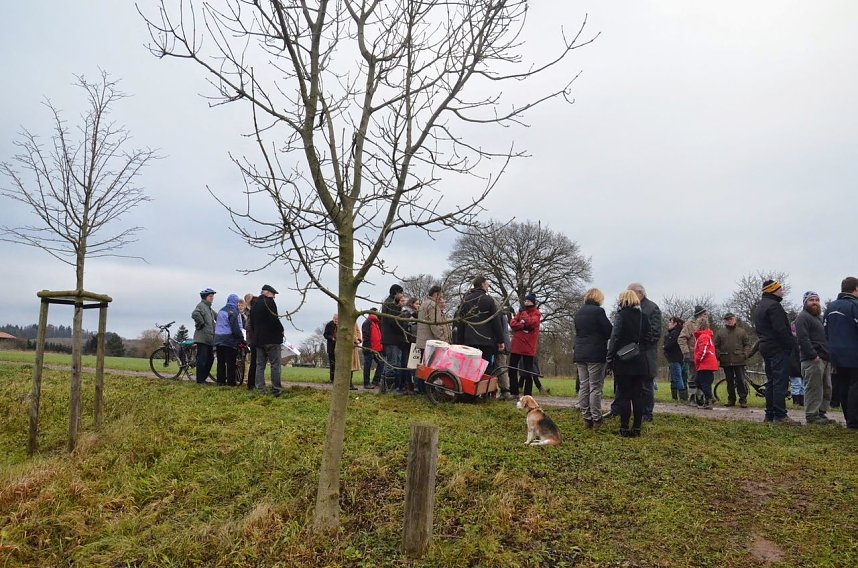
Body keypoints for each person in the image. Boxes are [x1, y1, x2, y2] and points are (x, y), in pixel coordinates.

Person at [606, 290, 650, 438]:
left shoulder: (621, 316)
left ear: (623, 300)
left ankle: (624, 428)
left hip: (623, 360)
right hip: (640, 360)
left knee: (624, 396)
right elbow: (649, 338)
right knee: (637, 396)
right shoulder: (644, 317)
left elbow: (615, 338)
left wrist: (609, 358)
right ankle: (637, 428)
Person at [753, 279, 797, 423]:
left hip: (765, 347)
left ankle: (770, 414)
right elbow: (781, 330)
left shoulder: (760, 307)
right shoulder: (774, 306)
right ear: (773, 290)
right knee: (780, 381)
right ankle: (780, 415)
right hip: (777, 348)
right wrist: (791, 345)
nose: (782, 292)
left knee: (771, 381)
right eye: (780, 289)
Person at [573, 288, 613, 429]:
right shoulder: (598, 312)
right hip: (595, 353)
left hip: (580, 353)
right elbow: (609, 331)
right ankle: (597, 418)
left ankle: (586, 417)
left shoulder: (579, 313)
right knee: (595, 387)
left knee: (584, 385)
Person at [823, 276, 858, 430]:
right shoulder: (855, 305)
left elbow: (825, 330)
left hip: (835, 353)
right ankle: (854, 421)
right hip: (854, 353)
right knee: (855, 386)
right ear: (856, 288)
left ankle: (848, 418)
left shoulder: (830, 307)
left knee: (843, 385)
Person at [455, 275, 504, 372]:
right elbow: (495, 321)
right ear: (482, 284)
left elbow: (460, 322)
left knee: (469, 368)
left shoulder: (466, 300)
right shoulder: (489, 300)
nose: (488, 287)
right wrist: (500, 340)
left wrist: (459, 341)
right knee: (485, 369)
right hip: (485, 341)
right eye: (487, 284)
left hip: (469, 340)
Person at [628, 283, 662, 422]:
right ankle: (637, 411)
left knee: (646, 385)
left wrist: (639, 340)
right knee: (634, 385)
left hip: (646, 353)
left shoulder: (652, 308)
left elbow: (655, 334)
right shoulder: (630, 308)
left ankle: (647, 413)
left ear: (639, 293)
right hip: (632, 353)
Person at [250, 284, 284, 396]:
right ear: (267, 293)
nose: (274, 297)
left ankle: (260, 389)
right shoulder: (269, 302)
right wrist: (281, 330)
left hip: (259, 340)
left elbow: (252, 323)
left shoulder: (254, 305)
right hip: (272, 339)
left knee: (259, 365)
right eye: (273, 294)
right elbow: (274, 319)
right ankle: (276, 390)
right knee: (275, 365)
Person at [714, 312, 751, 407]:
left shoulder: (741, 331)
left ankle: (743, 400)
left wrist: (745, 354)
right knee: (729, 381)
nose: (729, 321)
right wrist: (718, 355)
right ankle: (731, 399)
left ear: (735, 319)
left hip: (739, 360)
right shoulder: (720, 332)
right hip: (725, 360)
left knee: (740, 381)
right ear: (724, 321)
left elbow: (747, 344)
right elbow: (715, 346)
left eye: (731, 319)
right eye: (727, 319)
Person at [509, 292, 542, 396]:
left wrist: (523, 317)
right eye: (525, 300)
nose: (525, 302)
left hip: (528, 346)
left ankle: (527, 393)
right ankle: (514, 392)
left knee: (528, 371)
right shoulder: (520, 312)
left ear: (532, 302)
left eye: (527, 300)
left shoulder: (536, 313)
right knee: (512, 368)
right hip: (517, 345)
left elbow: (531, 323)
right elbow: (513, 323)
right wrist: (522, 326)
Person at [678, 305, 708, 407]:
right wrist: (686, 352)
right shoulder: (689, 325)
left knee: (703, 377)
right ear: (699, 315)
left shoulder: (706, 325)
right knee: (693, 376)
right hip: (693, 354)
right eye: (704, 314)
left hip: (704, 355)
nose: (706, 316)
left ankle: (700, 397)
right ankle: (692, 397)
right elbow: (681, 339)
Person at [380, 284, 408, 393]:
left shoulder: (390, 303)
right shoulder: (391, 304)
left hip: (390, 338)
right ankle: (389, 389)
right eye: (401, 293)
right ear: (395, 293)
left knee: (390, 363)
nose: (402, 295)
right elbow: (394, 322)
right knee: (392, 364)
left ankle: (384, 388)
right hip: (391, 339)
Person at [213, 294, 245, 386]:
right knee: (230, 362)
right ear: (236, 302)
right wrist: (241, 339)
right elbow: (235, 328)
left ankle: (220, 381)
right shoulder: (234, 312)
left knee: (221, 362)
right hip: (229, 340)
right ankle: (231, 382)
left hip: (218, 338)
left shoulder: (221, 310)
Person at [191, 287, 217, 384]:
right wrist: (201, 323)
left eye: (212, 296)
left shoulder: (209, 308)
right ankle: (200, 380)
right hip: (202, 338)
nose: (212, 298)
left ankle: (203, 378)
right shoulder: (201, 306)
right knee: (202, 360)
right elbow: (194, 314)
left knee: (210, 359)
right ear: (205, 297)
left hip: (209, 338)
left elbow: (218, 316)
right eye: (210, 296)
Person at [693, 317, 718, 409]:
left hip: (705, 364)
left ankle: (709, 399)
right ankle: (708, 398)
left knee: (704, 383)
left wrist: (697, 359)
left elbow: (703, 350)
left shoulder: (703, 336)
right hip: (704, 364)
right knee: (698, 382)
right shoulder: (704, 336)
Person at [663, 317, 687, 401]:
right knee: (679, 377)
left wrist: (664, 346)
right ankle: (678, 397)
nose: (668, 324)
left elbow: (667, 345)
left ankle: (682, 398)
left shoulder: (674, 333)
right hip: (680, 358)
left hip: (674, 358)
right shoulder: (681, 333)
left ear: (675, 323)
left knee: (677, 378)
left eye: (670, 322)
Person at [361, 308, 384, 389]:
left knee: (381, 363)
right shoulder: (367, 323)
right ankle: (366, 383)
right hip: (369, 348)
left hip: (377, 348)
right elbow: (366, 336)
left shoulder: (377, 323)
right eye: (376, 312)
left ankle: (376, 380)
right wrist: (368, 347)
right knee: (368, 365)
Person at [243, 293, 257, 391]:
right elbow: (248, 326)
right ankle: (251, 384)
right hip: (253, 339)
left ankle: (252, 383)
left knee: (254, 362)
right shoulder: (250, 311)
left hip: (251, 338)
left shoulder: (248, 311)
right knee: (254, 362)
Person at [323, 314, 338, 384]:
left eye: (338, 320)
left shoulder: (340, 325)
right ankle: (332, 379)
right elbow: (325, 334)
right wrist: (331, 338)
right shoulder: (329, 325)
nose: (336, 321)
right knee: (332, 364)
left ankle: (337, 378)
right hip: (331, 347)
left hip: (338, 347)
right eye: (336, 319)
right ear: (333, 318)